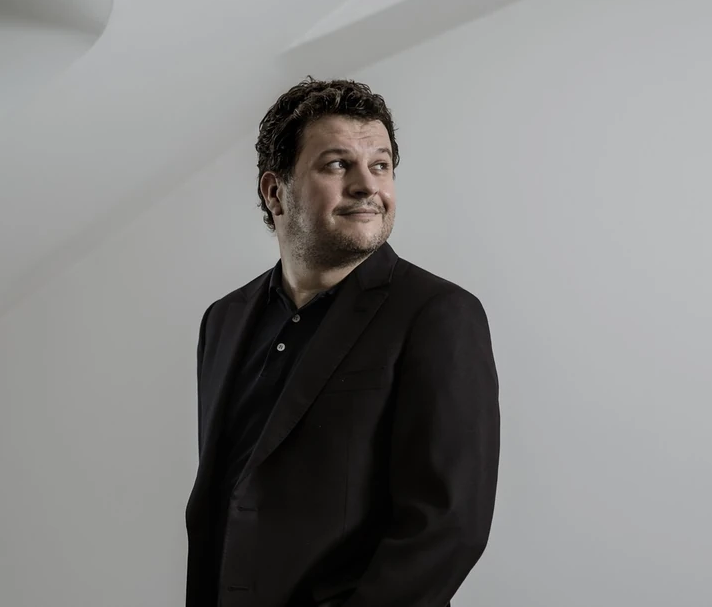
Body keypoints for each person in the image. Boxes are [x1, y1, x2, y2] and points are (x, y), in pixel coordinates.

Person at [184, 77, 500, 607]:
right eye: (337, 164)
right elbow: (226, 498)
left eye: (381, 165)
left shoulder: (438, 315)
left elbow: (447, 527)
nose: (367, 186)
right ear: (274, 192)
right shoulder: (223, 320)